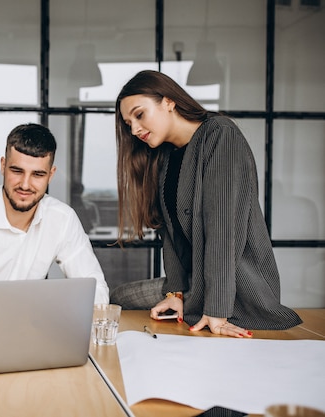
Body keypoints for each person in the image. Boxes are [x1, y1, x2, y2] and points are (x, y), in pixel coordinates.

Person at [111, 70, 302, 337]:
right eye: (128, 123)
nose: (134, 129)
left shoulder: (220, 135)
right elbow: (171, 236)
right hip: (192, 283)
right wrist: (174, 293)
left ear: (168, 102)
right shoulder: (165, 157)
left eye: (139, 115)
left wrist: (217, 311)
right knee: (118, 296)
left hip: (232, 288)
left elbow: (222, 230)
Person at [0, 123, 110, 335]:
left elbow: (95, 289)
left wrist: (62, 324)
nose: (25, 185)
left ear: (51, 175)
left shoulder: (62, 218)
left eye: (37, 175)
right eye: (17, 171)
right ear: (3, 165)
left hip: (35, 333)